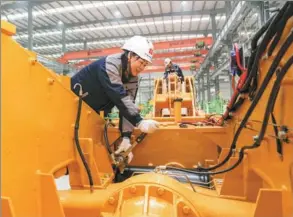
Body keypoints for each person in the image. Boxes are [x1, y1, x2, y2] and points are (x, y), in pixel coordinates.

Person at [71, 36, 159, 163]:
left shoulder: (133, 78)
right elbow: (118, 95)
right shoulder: (110, 65)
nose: (142, 68)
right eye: (141, 62)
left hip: (95, 111)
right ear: (130, 56)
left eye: (145, 65)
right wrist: (139, 121)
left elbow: (128, 104)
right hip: (75, 105)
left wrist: (126, 137)